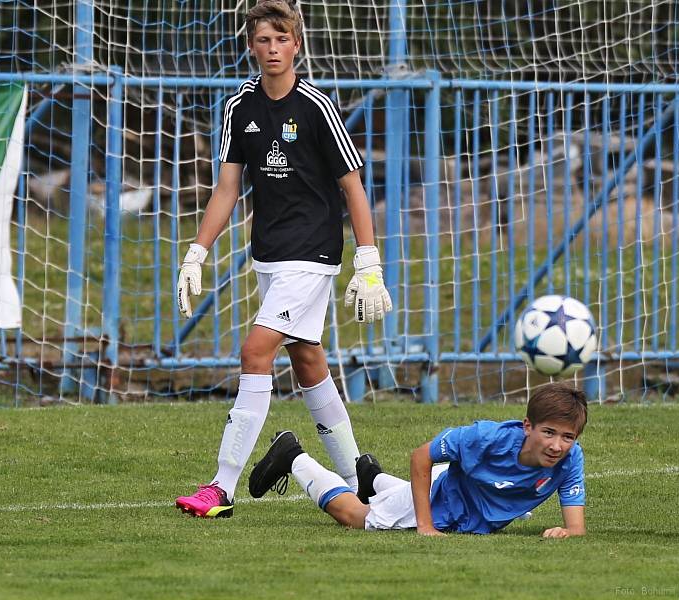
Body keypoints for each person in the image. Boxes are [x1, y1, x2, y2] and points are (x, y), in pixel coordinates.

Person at [174, 0, 392, 519]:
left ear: (297, 45)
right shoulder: (239, 108)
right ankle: (356, 476)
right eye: (263, 40)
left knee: (255, 352)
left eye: (282, 39)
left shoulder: (316, 105)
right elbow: (228, 188)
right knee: (308, 360)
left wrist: (368, 261)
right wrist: (195, 253)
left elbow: (353, 187)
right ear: (251, 47)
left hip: (313, 252)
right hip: (269, 256)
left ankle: (218, 488)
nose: (273, 49)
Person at [249, 383, 588, 538]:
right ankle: (292, 455)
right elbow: (421, 456)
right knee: (356, 517)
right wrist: (426, 526)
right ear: (527, 426)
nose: (557, 445)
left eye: (567, 437)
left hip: (464, 499)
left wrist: (566, 532)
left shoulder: (570, 460)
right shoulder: (486, 438)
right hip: (445, 497)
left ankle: (372, 478)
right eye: (549, 432)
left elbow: (577, 528)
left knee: (394, 499)